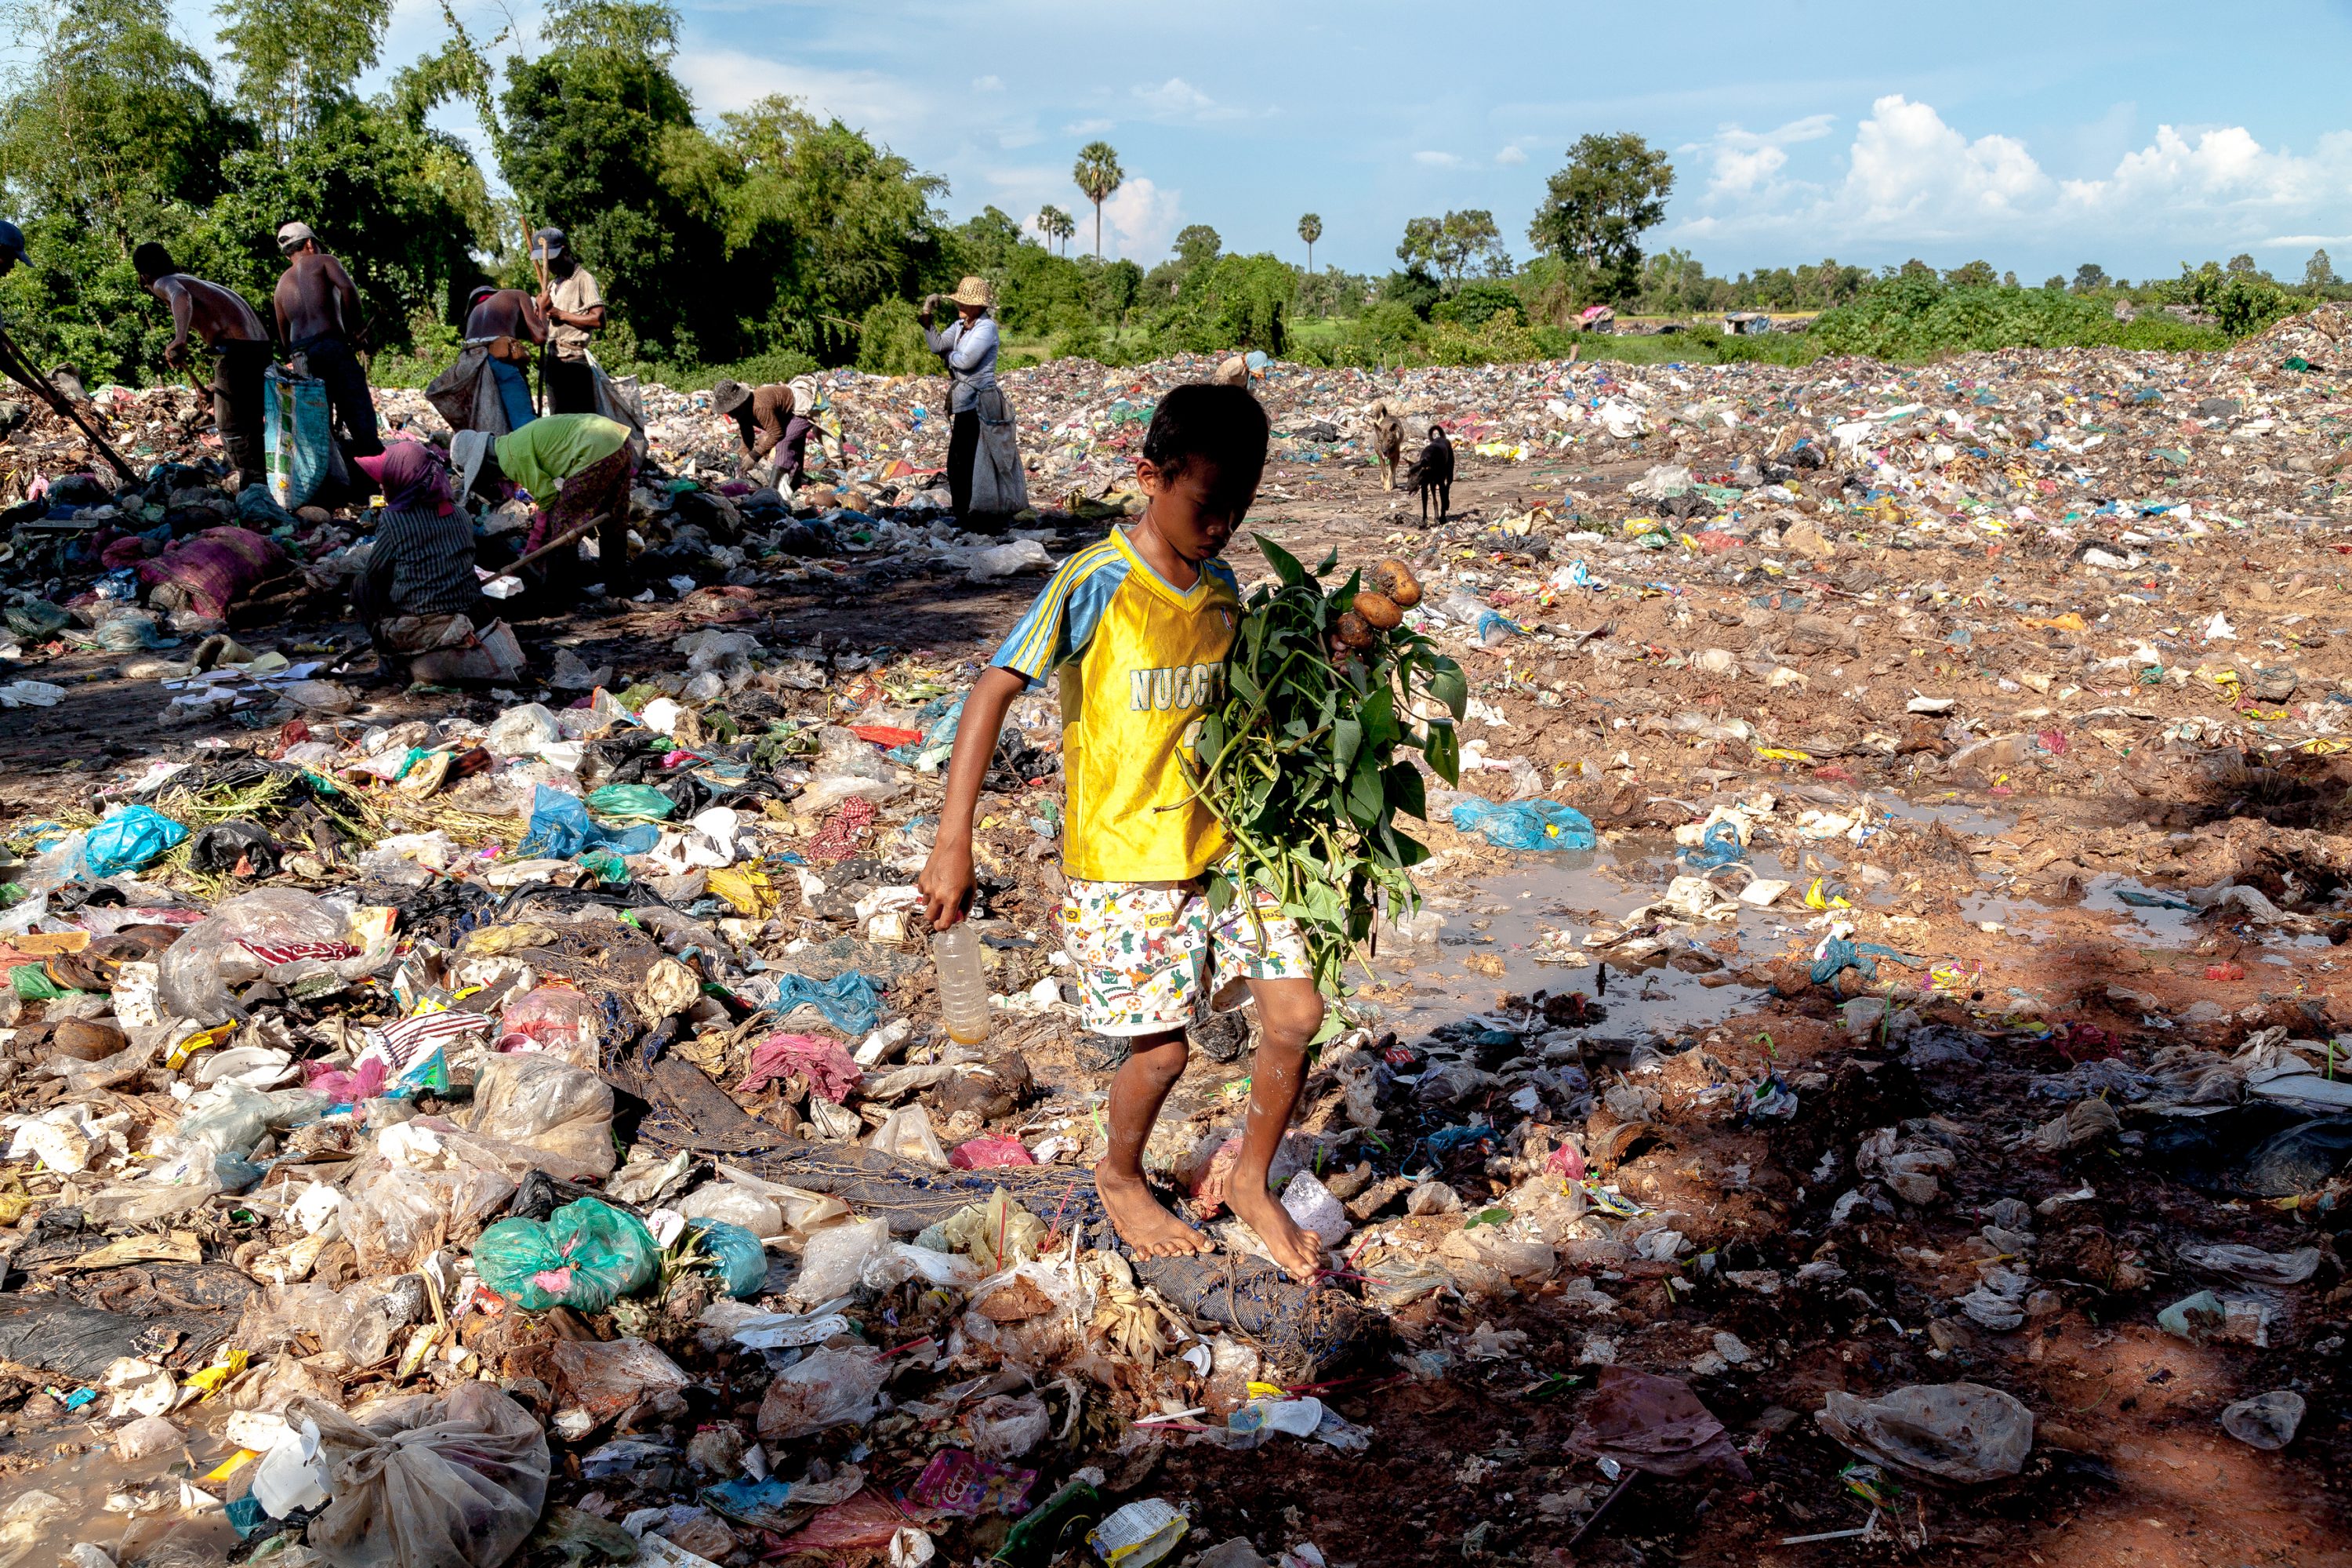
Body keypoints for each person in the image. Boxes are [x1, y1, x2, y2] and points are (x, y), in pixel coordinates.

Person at [916, 383, 1326, 1280]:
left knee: (1295, 1014)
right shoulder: (1096, 580)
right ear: (1150, 474)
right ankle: (1119, 1172)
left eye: (1239, 511)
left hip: (1231, 846)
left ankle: (1251, 1179)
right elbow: (993, 687)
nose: (1221, 528)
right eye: (1206, 507)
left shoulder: (1221, 588)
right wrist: (956, 839)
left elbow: (1250, 705)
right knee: (1164, 1049)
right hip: (1123, 857)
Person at [352, 441, 522, 684]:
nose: (381, 485)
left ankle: (390, 661)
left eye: (385, 479)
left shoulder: (393, 520)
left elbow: (375, 574)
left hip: (423, 619)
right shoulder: (460, 514)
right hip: (470, 612)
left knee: (361, 586)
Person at [133, 243, 273, 492]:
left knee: (231, 425)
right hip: (258, 348)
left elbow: (180, 297)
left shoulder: (164, 282)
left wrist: (180, 337)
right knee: (251, 421)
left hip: (236, 351)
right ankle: (266, 480)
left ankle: (255, 488)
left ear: (144, 275)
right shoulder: (196, 282)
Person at [452, 412, 637, 596]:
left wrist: (535, 543)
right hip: (618, 439)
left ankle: (559, 592)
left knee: (563, 523)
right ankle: (618, 584)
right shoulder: (511, 442)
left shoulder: (510, 458)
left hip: (597, 451)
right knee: (614, 518)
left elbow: (547, 497)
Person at [270, 221, 381, 457]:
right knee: (357, 408)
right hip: (331, 343)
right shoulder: (325, 261)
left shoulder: (280, 286)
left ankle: (332, 474)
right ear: (310, 244)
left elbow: (283, 334)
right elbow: (348, 289)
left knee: (319, 420)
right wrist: (356, 329)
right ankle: (374, 465)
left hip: (301, 354)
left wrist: (296, 355)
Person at [919, 277, 1004, 518]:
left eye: (965, 303)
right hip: (963, 401)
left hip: (979, 403)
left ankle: (970, 513)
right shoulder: (960, 326)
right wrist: (927, 314)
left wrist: (949, 358)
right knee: (958, 461)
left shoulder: (986, 328)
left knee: (967, 460)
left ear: (978, 307)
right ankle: (963, 512)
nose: (961, 306)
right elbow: (937, 345)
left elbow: (966, 361)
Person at [532, 228, 605, 416]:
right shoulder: (552, 284)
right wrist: (541, 308)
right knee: (559, 420)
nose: (548, 265)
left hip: (574, 361)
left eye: (552, 259)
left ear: (565, 252)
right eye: (545, 261)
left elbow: (599, 319)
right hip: (554, 361)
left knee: (581, 420)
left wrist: (560, 314)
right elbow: (543, 326)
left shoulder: (584, 279)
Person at [463, 285, 546, 430]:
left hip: (468, 361)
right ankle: (527, 447)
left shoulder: (476, 312)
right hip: (497, 358)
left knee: (484, 423)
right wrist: (543, 308)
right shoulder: (518, 295)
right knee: (523, 423)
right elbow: (540, 337)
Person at [710, 379, 801, 483]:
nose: (731, 414)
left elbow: (777, 433)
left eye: (732, 410)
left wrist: (754, 455)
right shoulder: (741, 412)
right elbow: (747, 433)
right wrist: (743, 455)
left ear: (740, 403)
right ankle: (794, 483)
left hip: (800, 408)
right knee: (795, 448)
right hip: (786, 416)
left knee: (784, 443)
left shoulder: (759, 408)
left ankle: (777, 486)